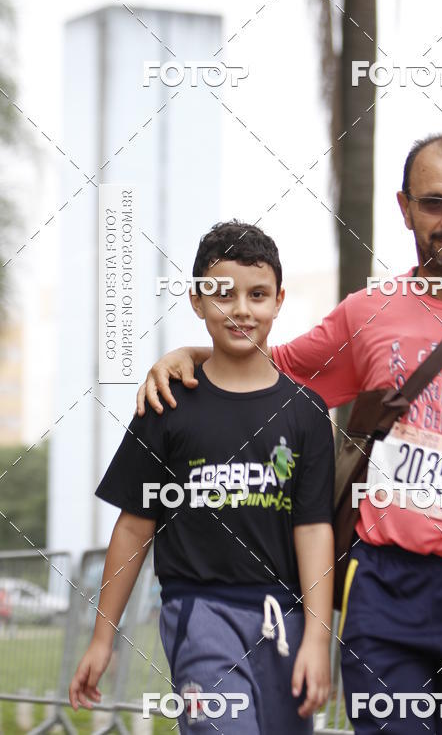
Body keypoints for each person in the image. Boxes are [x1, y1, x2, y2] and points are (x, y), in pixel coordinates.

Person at [136, 134, 442, 733]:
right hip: (381, 587)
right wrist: (186, 353)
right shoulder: (369, 311)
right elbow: (268, 368)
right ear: (404, 208)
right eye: (434, 203)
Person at [69, 222, 335, 734]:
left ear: (279, 301)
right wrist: (103, 638)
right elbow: (133, 527)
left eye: (257, 295)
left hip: (285, 620)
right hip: (199, 613)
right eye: (222, 294)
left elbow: (314, 529)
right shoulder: (166, 405)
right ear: (196, 301)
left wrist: (318, 638)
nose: (241, 309)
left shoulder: (306, 414)